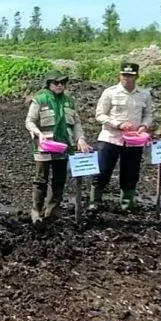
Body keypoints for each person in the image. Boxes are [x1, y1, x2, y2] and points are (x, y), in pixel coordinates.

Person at [25, 73, 92, 225]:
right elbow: (29, 121)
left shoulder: (69, 102)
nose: (59, 85)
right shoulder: (40, 100)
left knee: (59, 180)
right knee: (40, 179)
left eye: (62, 82)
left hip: (63, 147)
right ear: (49, 84)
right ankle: (36, 211)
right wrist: (38, 133)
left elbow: (76, 124)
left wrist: (80, 138)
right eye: (56, 82)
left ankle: (52, 211)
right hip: (44, 146)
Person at [91, 62, 156, 212]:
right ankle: (95, 200)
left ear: (137, 76)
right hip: (110, 137)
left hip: (134, 140)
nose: (127, 78)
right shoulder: (110, 92)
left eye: (130, 75)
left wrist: (144, 126)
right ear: (119, 75)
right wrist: (117, 124)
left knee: (131, 173)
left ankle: (127, 203)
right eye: (124, 75)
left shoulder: (144, 94)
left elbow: (148, 115)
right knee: (102, 170)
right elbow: (99, 114)